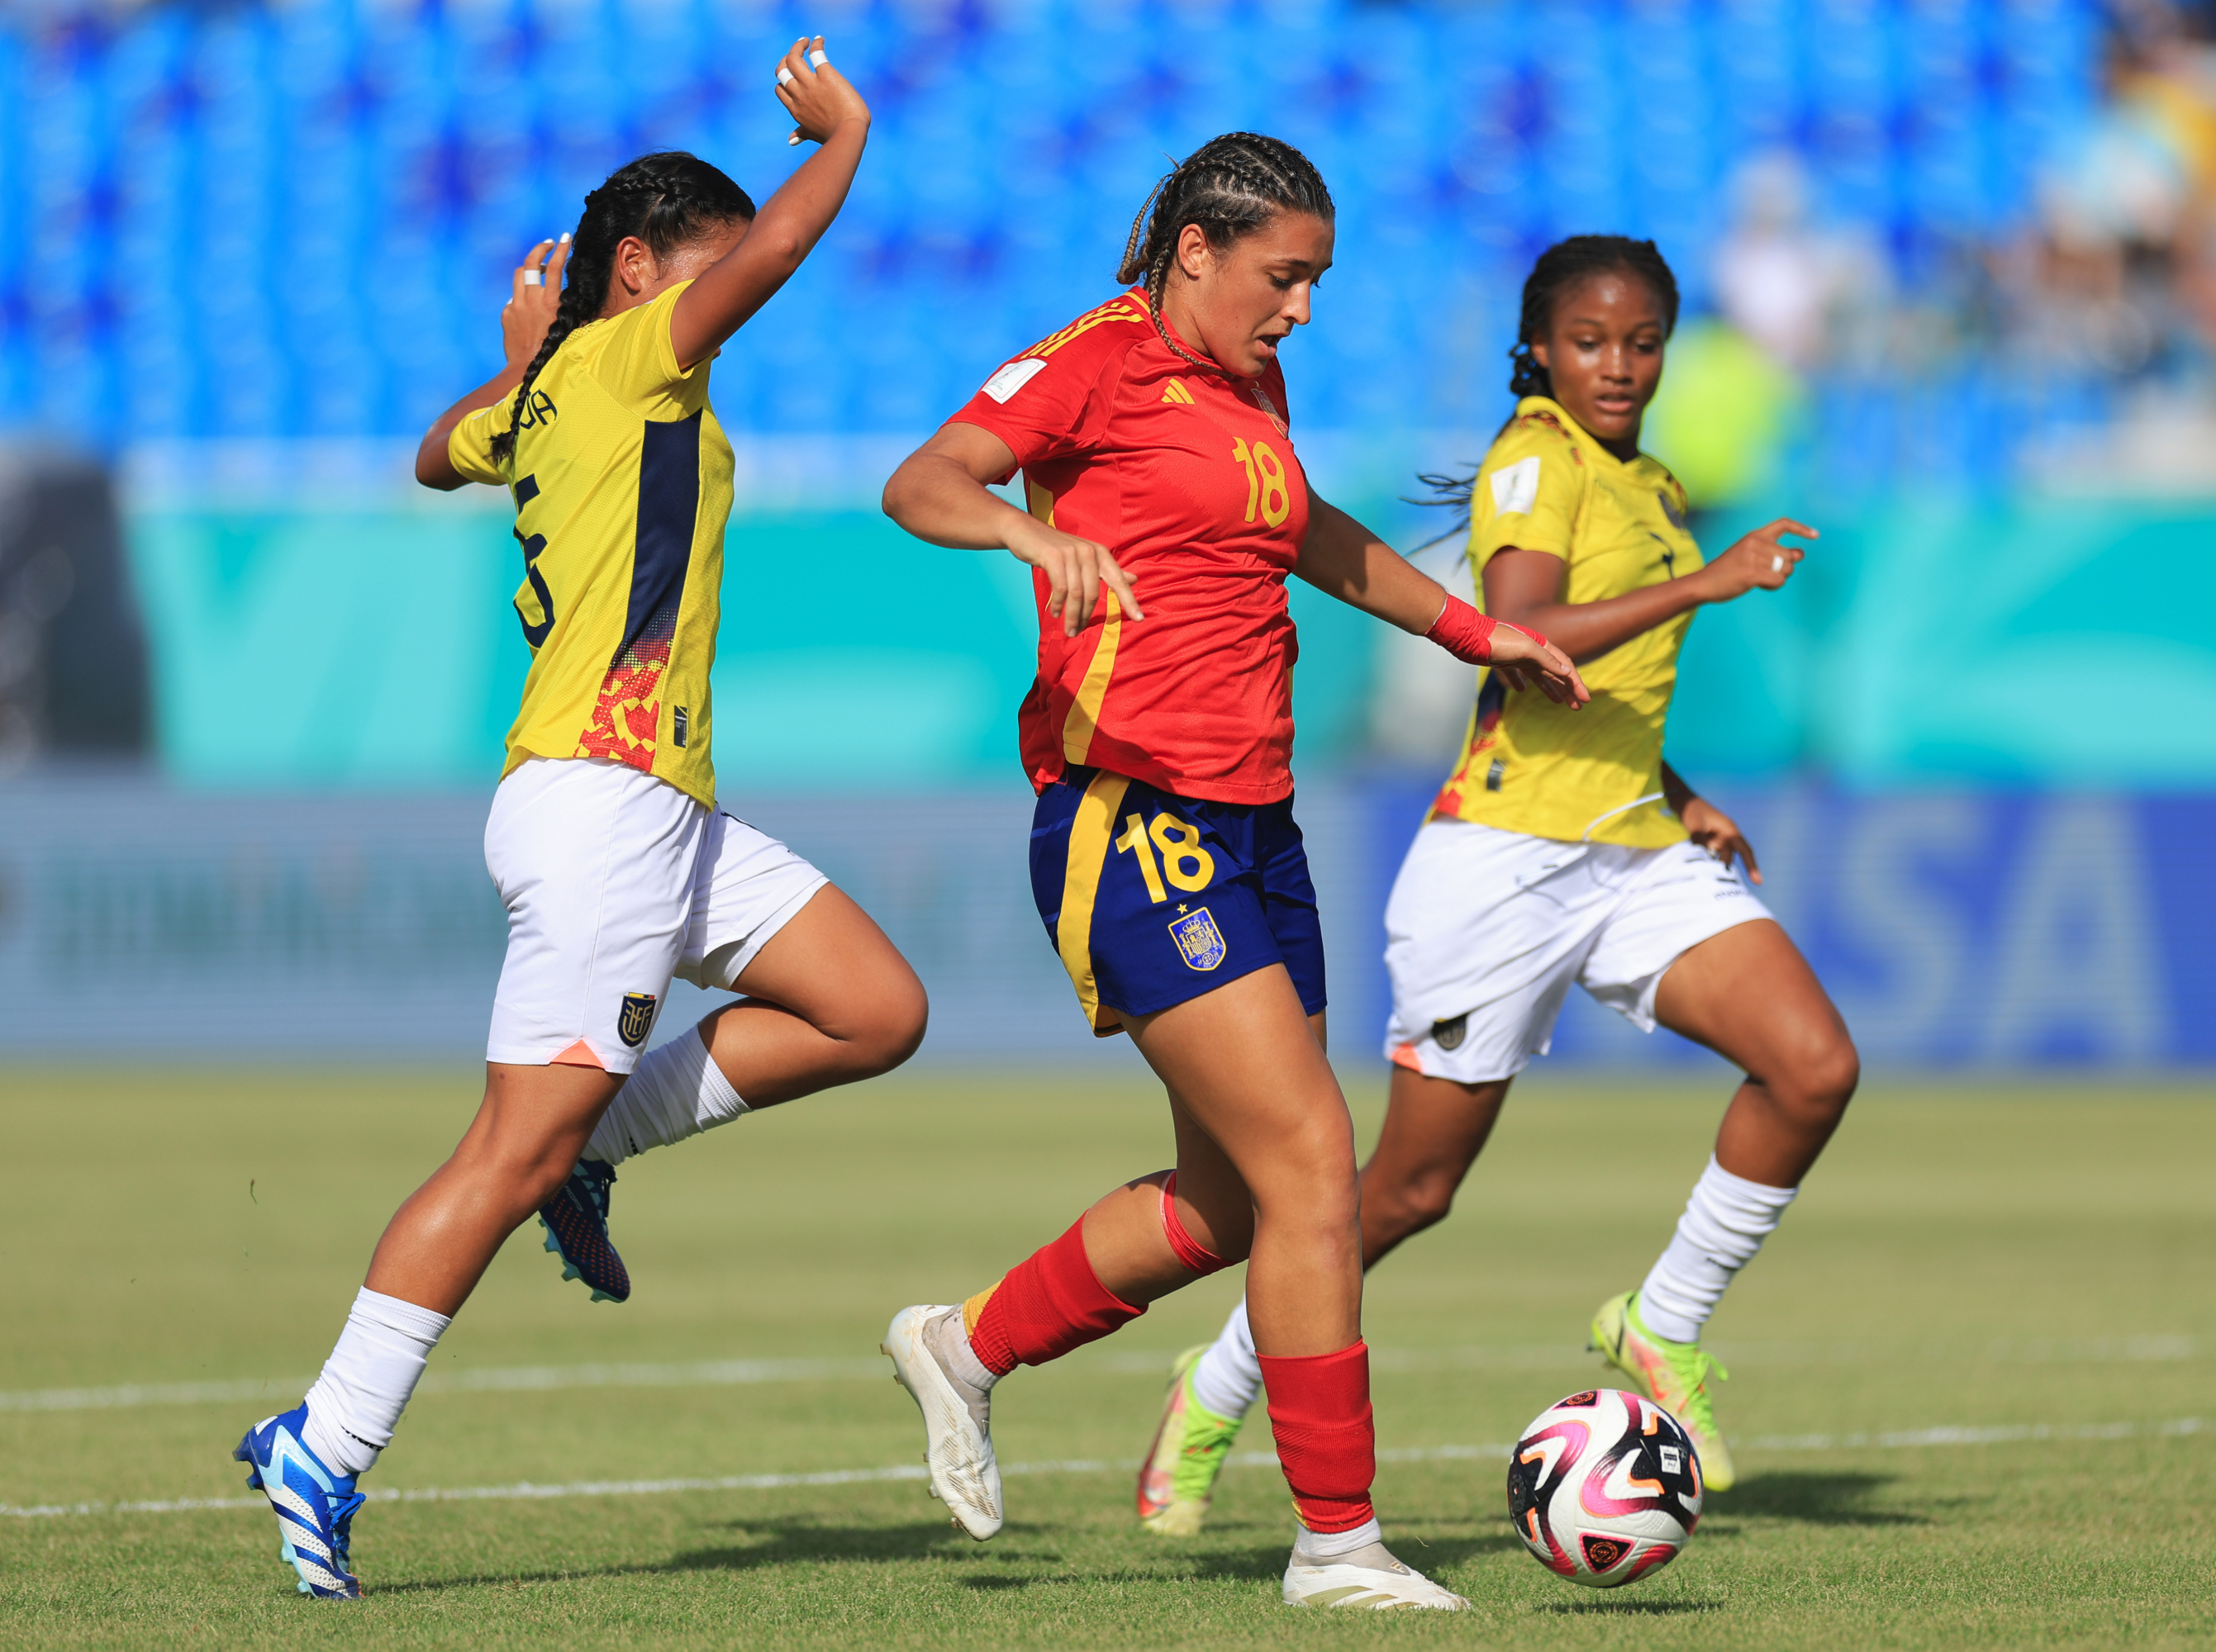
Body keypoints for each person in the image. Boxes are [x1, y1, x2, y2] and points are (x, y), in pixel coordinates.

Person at [230, 45, 923, 1601]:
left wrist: (514, 361)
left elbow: (432, 454)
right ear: (638, 273)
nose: (722, 300)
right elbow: (783, 247)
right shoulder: (631, 364)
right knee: (499, 1151)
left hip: (657, 808)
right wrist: (847, 136)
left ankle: (591, 1145)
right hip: (605, 807)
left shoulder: (559, 390)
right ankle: (324, 1446)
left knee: (874, 1007)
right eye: (698, 271)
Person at [875, 133, 1585, 1612]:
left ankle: (963, 1347)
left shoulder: (1248, 376)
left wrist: (1475, 634)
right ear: (1194, 248)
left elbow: (1302, 530)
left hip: (1256, 818)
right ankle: (1337, 1545)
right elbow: (922, 480)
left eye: (1316, 281)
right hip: (1132, 812)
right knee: (1318, 1160)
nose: (1302, 310)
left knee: (1239, 1197)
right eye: (1285, 277)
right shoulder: (1096, 358)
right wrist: (1022, 533)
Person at [1134, 235, 1859, 1536]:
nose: (1619, 365)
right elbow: (1525, 634)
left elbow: (1602, 688)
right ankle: (1218, 1382)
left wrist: (1677, 786)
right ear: (1538, 350)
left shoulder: (1649, 482)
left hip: (1633, 838)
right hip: (1505, 866)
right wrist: (1711, 580)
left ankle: (1661, 1324)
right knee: (1406, 1194)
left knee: (1811, 1065)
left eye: (1642, 342)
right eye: (1590, 341)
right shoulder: (1534, 456)